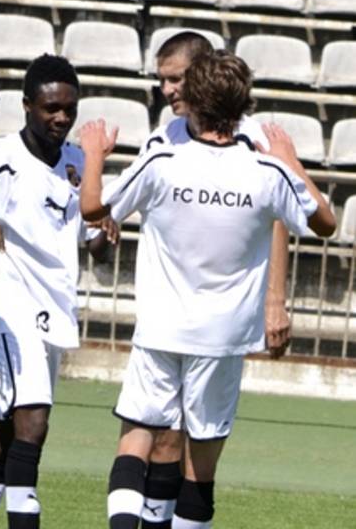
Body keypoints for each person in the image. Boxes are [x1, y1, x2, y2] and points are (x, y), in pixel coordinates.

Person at [79, 51, 336, 529]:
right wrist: (291, 160)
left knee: (136, 438)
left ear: (193, 100)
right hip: (223, 338)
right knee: (200, 468)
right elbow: (325, 223)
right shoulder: (268, 172)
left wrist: (94, 153)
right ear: (243, 105)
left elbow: (93, 208)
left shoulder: (163, 160)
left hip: (162, 329)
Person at [0, 54, 117, 529]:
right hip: (9, 311)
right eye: (51, 108)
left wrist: (106, 227)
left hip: (54, 312)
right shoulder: (0, 160)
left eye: (69, 109)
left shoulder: (77, 163)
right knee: (33, 424)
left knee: (1, 437)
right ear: (28, 106)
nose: (61, 118)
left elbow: (93, 246)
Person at [134, 32, 294, 528]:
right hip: (169, 313)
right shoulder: (164, 138)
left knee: (200, 447)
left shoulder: (253, 139)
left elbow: (279, 217)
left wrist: (275, 299)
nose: (167, 90)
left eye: (176, 78)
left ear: (204, 74)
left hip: (220, 318)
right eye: (162, 80)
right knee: (164, 438)